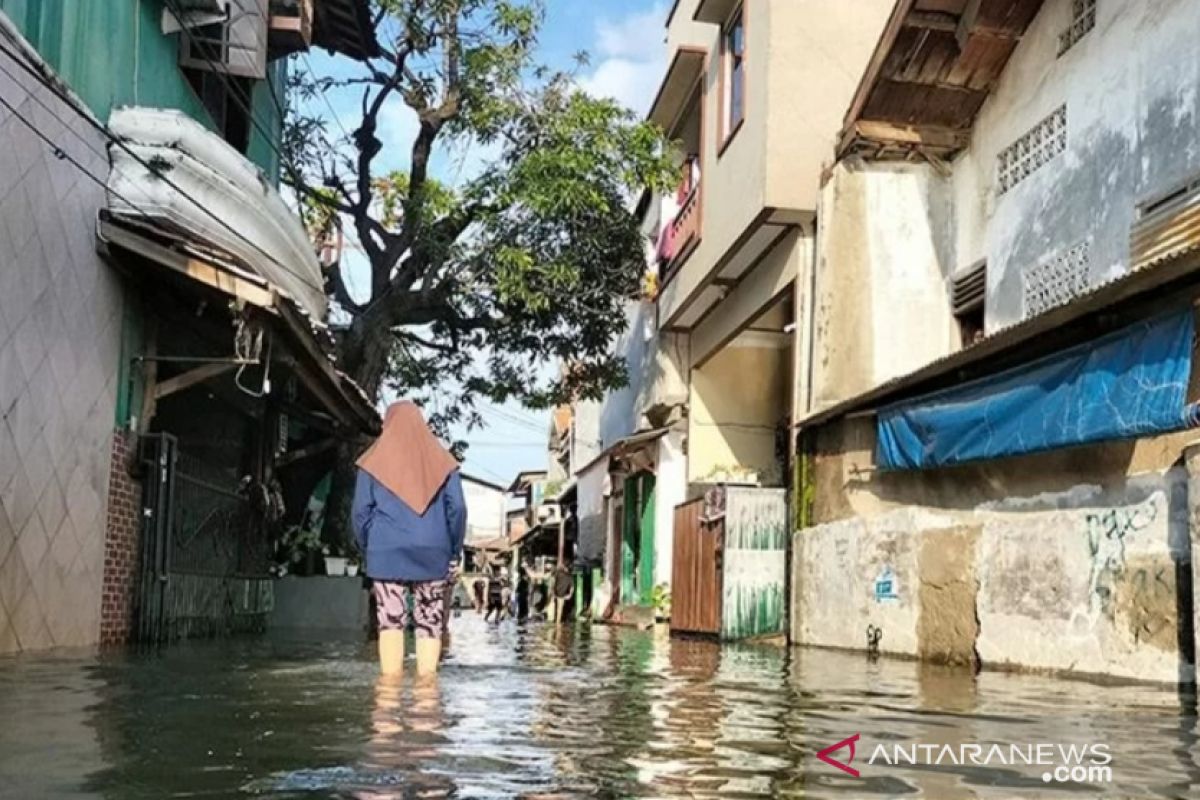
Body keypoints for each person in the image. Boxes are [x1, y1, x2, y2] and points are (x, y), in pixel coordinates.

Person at [353, 402, 467, 677]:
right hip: (433, 551)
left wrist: (369, 547)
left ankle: (388, 699)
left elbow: (360, 512)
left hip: (386, 551)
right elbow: (458, 508)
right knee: (430, 620)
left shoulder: (372, 462)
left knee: (390, 620)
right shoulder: (443, 461)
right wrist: (453, 549)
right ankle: (427, 696)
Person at [553, 558, 575, 624]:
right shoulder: (569, 576)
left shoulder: (559, 573)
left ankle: (557, 623)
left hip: (558, 594)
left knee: (557, 611)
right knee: (559, 610)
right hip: (561, 595)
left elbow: (554, 581)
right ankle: (558, 623)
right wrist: (570, 595)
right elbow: (572, 587)